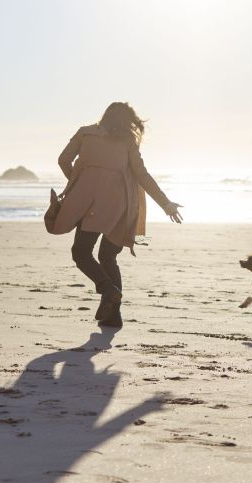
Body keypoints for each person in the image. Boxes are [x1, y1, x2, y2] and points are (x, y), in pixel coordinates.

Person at [53, 102, 182, 327]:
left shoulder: (85, 133)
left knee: (81, 252)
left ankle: (108, 290)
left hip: (91, 205)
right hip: (122, 207)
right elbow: (142, 175)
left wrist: (79, 183)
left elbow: (63, 160)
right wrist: (166, 204)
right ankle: (113, 317)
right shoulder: (127, 142)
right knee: (108, 256)